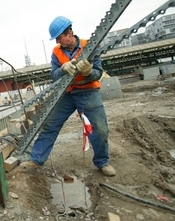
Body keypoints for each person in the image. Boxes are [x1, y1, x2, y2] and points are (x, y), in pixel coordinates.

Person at [22, 16, 116, 176]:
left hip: (88, 92)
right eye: (56, 38)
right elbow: (54, 75)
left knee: (99, 129)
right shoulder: (56, 52)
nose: (57, 41)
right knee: (49, 125)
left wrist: (88, 73)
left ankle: (103, 162)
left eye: (59, 37)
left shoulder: (90, 46)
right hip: (66, 93)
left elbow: (98, 73)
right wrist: (63, 69)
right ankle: (36, 160)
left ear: (70, 33)